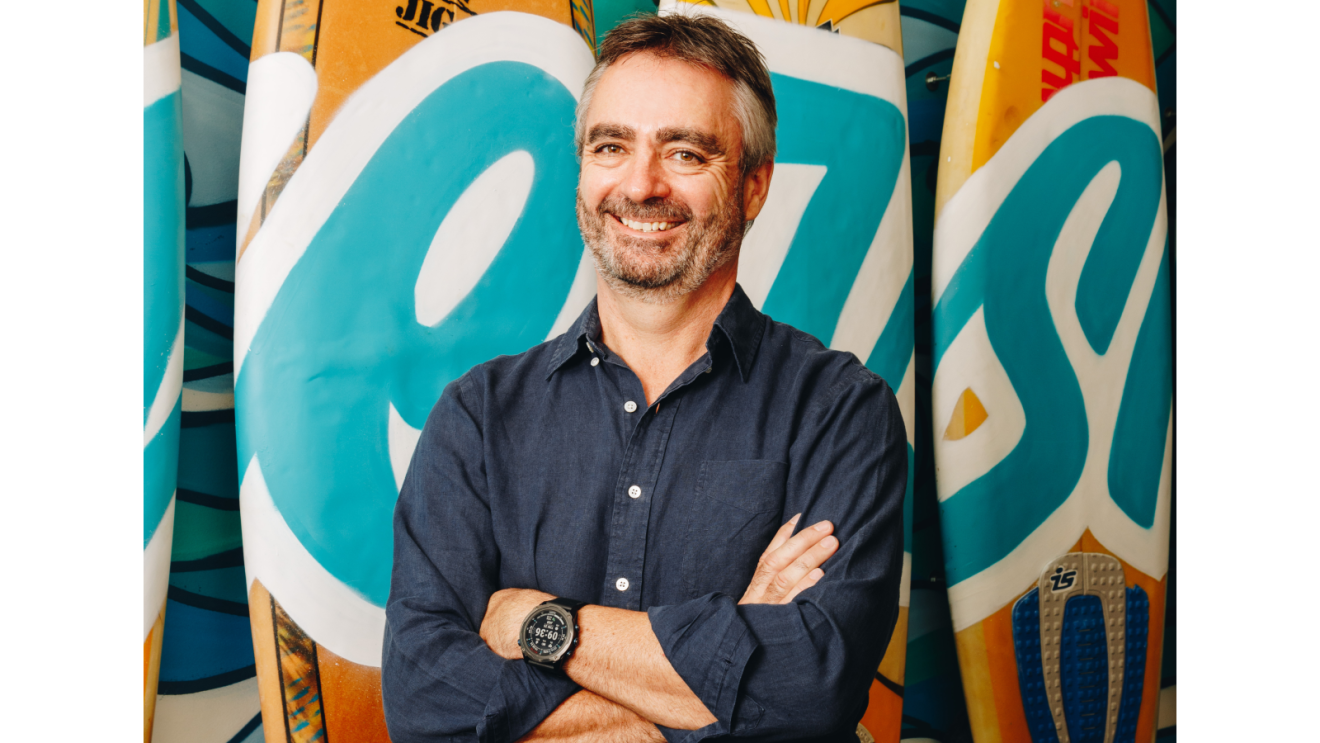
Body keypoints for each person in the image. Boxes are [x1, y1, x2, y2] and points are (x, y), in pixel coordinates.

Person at [383, 13, 906, 743]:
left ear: (754, 186)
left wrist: (540, 625)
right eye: (611, 146)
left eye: (686, 152)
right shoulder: (477, 417)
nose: (640, 184)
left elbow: (808, 692)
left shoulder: (843, 414)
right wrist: (706, 684)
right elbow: (423, 698)